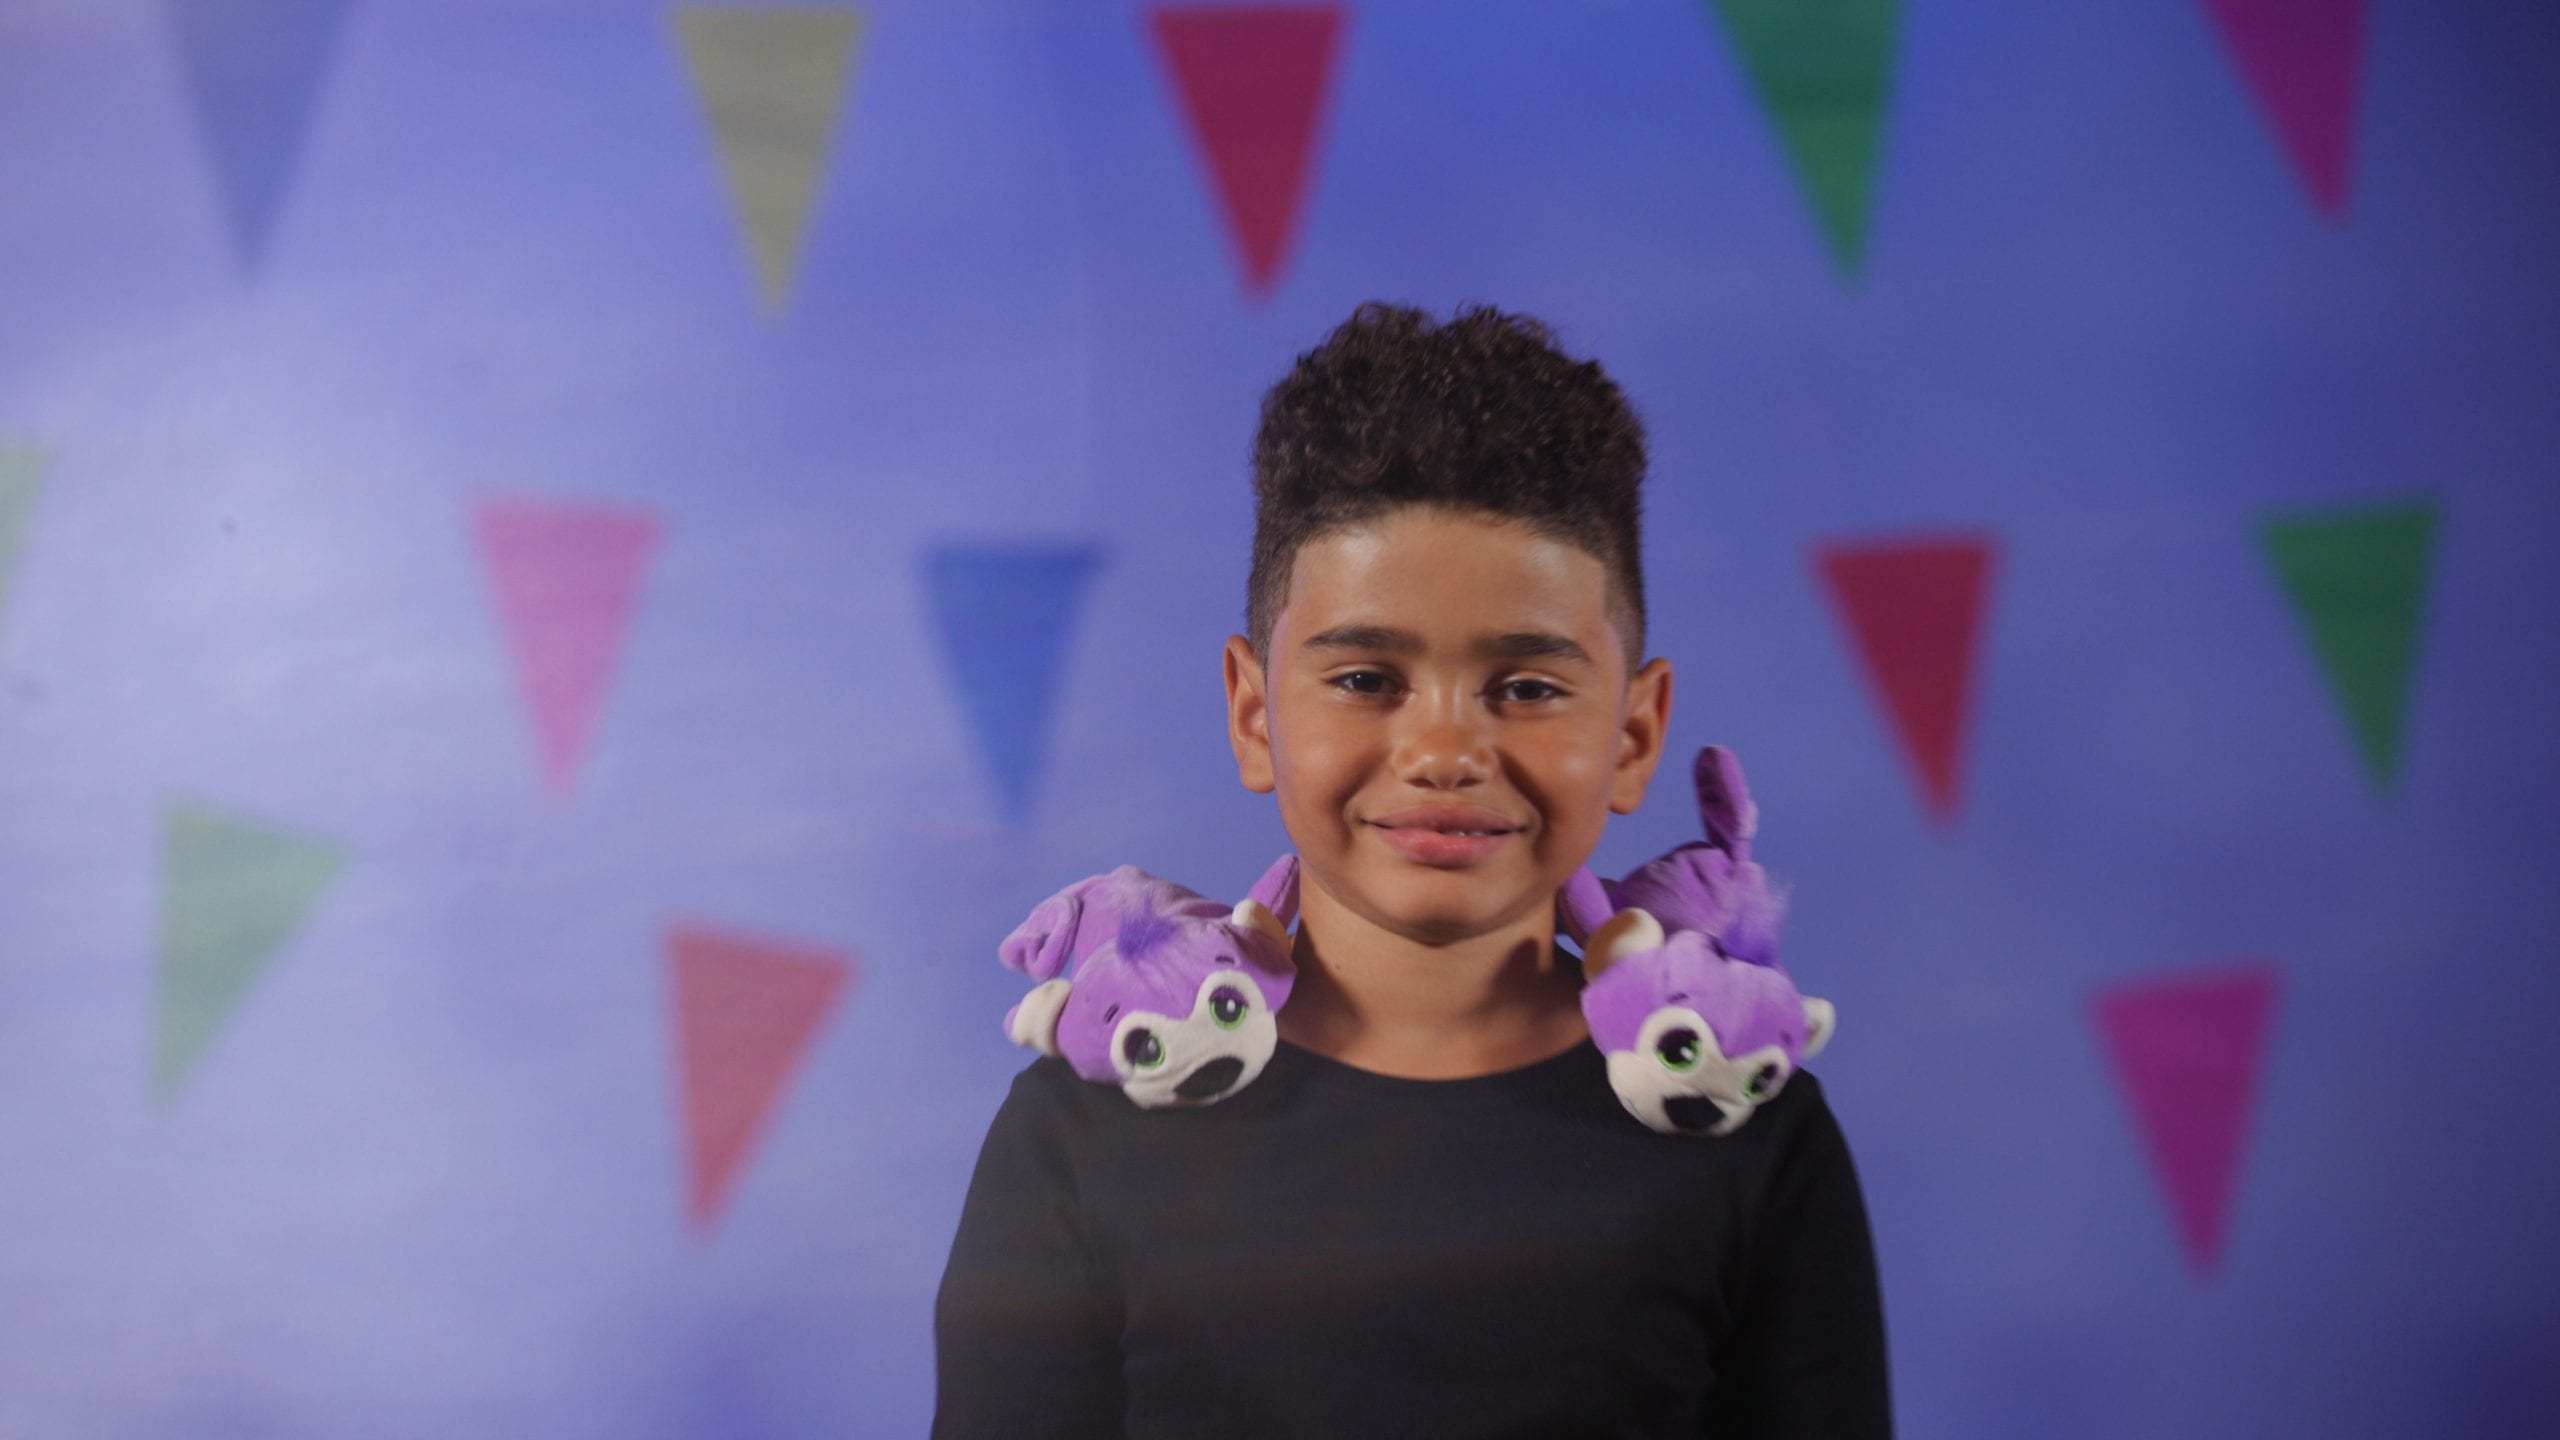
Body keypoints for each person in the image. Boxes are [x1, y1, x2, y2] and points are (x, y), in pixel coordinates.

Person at [932, 303, 1891, 1438]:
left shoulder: (1746, 1128)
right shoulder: (1079, 1139)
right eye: (1365, 679)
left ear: (1634, 737)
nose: (1443, 751)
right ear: (1252, 713)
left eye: (1526, 688)